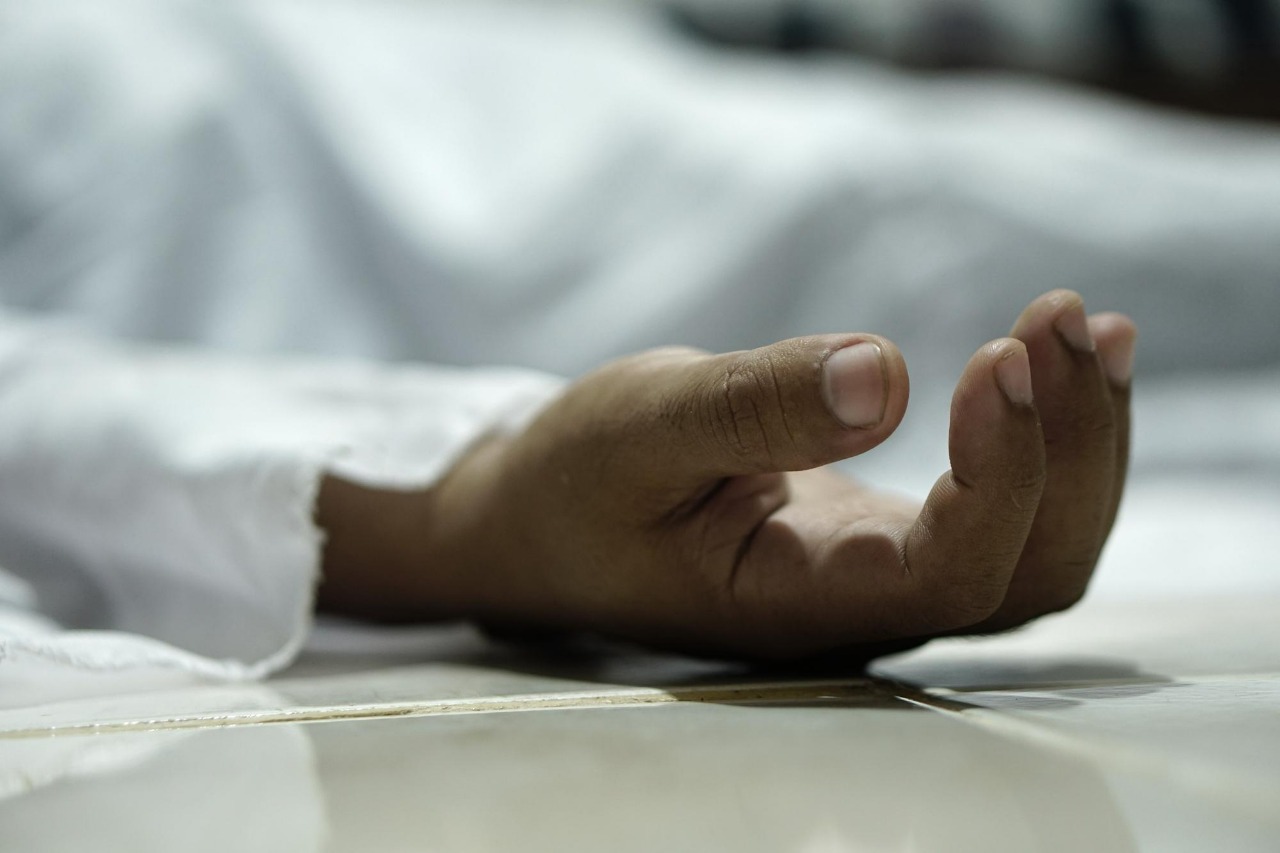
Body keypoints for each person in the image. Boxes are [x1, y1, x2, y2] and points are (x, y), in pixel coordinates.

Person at [5, 0, 1275, 682]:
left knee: (877, 183)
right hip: (182, 184)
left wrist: (482, 505)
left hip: (399, 94)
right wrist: (473, 506)